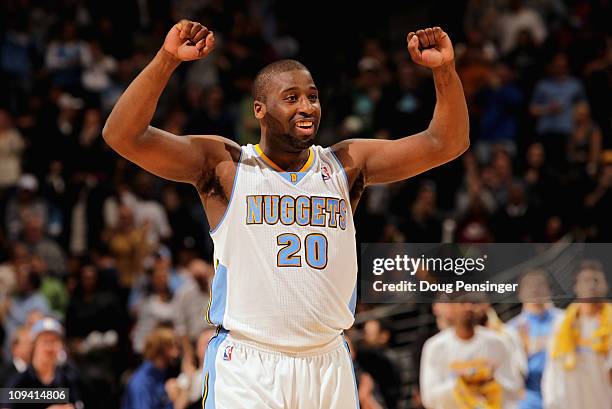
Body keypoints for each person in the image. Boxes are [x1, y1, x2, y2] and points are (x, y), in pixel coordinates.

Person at [103, 20, 469, 408]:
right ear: (259, 109)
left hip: (328, 361)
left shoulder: (346, 164)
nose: (307, 106)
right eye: (291, 97)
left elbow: (447, 142)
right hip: (248, 364)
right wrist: (166, 60)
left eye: (312, 96)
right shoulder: (226, 165)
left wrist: (444, 70)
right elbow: (123, 135)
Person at [420, 299, 524, 409]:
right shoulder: (436, 347)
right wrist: (462, 382)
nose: (468, 307)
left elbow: (515, 388)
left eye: (472, 303)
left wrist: (490, 380)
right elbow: (429, 398)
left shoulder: (496, 342)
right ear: (451, 308)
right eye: (462, 304)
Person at [541, 260, 612, 409]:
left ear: (605, 285)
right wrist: (551, 401)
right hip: (572, 401)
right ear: (576, 286)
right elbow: (553, 367)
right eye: (586, 280)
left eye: (596, 280)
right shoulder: (561, 323)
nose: (591, 285)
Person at [507, 269, 562, 409]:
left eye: (540, 285)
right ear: (519, 293)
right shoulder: (511, 329)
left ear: (550, 290)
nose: (534, 289)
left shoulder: (565, 321)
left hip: (562, 389)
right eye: (529, 285)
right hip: (528, 396)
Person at [6, 317, 84, 409]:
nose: (49, 347)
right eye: (45, 341)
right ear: (34, 345)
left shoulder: (69, 379)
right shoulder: (18, 381)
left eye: (54, 341)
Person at [122, 327, 180, 409]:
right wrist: (172, 401)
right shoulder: (142, 383)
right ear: (160, 350)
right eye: (171, 348)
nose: (176, 354)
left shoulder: (160, 375)